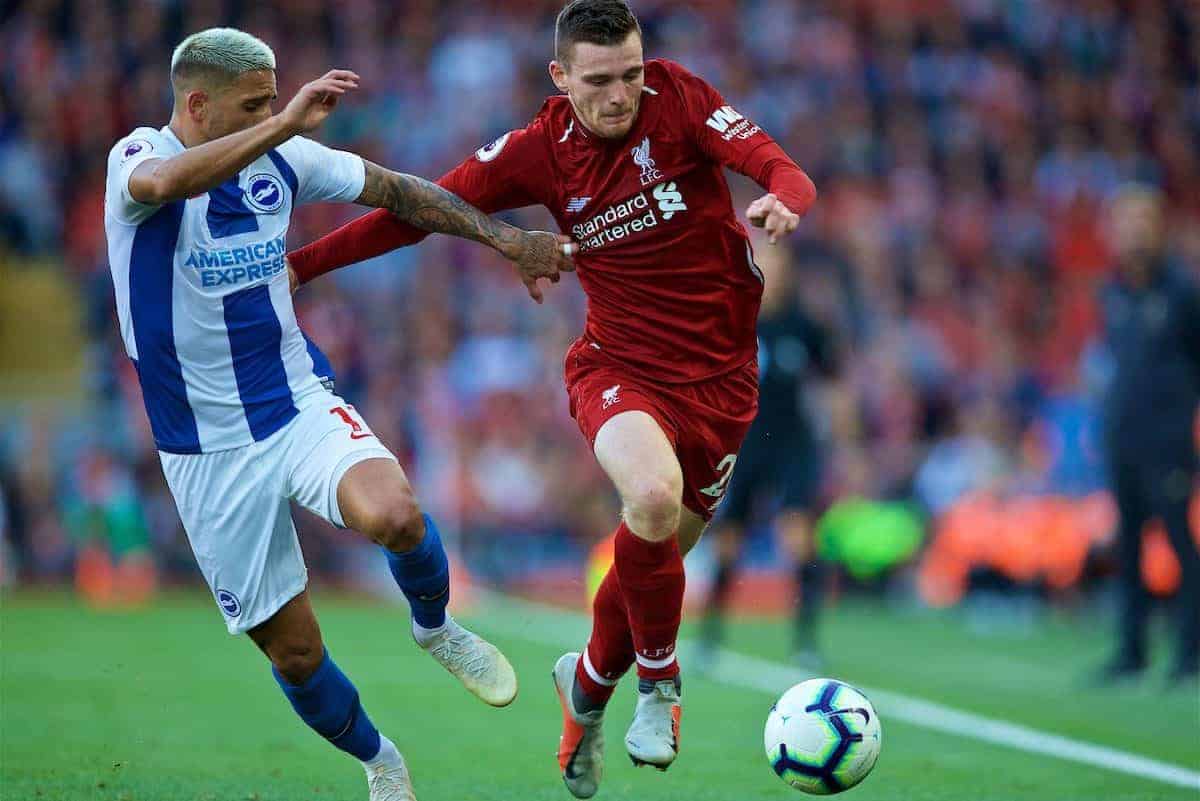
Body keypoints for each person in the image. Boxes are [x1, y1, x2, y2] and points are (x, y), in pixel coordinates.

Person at [286, 1, 816, 796]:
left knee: (653, 559)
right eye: (599, 80)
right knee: (652, 497)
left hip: (725, 387)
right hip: (619, 369)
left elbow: (782, 165)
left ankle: (589, 689)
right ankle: (661, 691)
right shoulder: (538, 152)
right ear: (559, 76)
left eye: (631, 75)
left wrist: (786, 199)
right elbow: (417, 210)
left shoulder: (682, 102)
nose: (620, 96)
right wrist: (301, 267)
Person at [103, 28, 575, 801]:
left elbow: (402, 193)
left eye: (273, 101)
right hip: (203, 446)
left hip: (293, 400)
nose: (273, 114)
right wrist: (282, 122)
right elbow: (162, 186)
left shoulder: (283, 158)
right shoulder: (137, 156)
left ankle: (436, 626)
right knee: (293, 653)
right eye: (253, 105)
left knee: (394, 511)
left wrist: (505, 239)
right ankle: (381, 759)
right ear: (197, 104)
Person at [698, 244, 839, 673]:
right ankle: (709, 637)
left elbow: (833, 381)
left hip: (792, 445)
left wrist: (839, 436)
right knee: (728, 544)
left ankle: (805, 643)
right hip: (746, 443)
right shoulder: (734, 319)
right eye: (766, 265)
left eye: (780, 266)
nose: (772, 274)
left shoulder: (806, 325)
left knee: (799, 539)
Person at [1095, 185, 1200, 686]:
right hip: (1125, 438)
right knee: (1129, 546)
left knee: (1181, 542)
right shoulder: (1113, 291)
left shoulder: (1182, 292)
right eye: (1124, 221)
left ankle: (1190, 651)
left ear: (1161, 227)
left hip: (1170, 440)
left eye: (1142, 221)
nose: (1132, 231)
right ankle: (1131, 650)